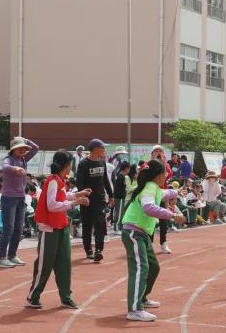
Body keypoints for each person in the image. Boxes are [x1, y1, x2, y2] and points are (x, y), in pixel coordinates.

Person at [120, 159, 184, 322]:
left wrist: (177, 193)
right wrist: (173, 215)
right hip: (134, 232)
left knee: (153, 267)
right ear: (158, 175)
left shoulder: (153, 187)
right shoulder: (150, 187)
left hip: (141, 233)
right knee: (141, 268)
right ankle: (134, 309)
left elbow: (164, 194)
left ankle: (141, 298)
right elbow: (148, 208)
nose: (166, 176)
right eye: (165, 174)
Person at [26, 151, 91, 310]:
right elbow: (52, 205)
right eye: (69, 165)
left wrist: (77, 194)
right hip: (49, 227)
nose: (71, 168)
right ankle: (33, 295)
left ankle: (65, 297)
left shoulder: (59, 180)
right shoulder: (53, 181)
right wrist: (76, 202)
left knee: (64, 263)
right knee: (45, 263)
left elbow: (63, 196)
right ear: (65, 165)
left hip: (60, 225)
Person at [0, 136, 39, 268]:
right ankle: (1, 258)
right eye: (19, 148)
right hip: (9, 198)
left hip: (20, 197)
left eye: (23, 148)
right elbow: (4, 167)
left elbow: (35, 148)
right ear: (13, 149)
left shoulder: (23, 159)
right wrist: (15, 169)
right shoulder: (8, 159)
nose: (22, 150)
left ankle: (12, 255)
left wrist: (25, 140)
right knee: (8, 228)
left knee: (18, 228)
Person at [75, 138, 114, 262]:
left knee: (100, 224)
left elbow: (106, 181)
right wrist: (82, 197)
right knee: (87, 226)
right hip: (87, 201)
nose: (104, 150)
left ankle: (98, 250)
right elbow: (79, 182)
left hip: (100, 200)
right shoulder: (83, 164)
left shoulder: (102, 162)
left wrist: (111, 195)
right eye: (103, 148)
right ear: (96, 149)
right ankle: (88, 250)